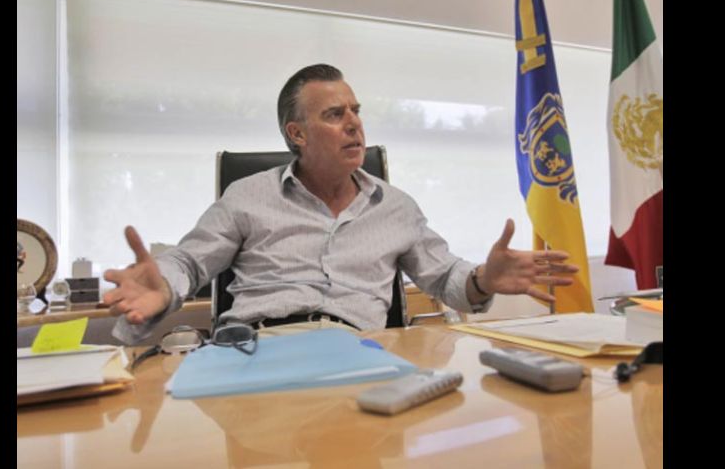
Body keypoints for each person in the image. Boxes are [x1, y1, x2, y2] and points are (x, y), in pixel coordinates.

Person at [104, 64, 577, 344]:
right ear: (297, 133)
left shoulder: (396, 207)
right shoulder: (247, 196)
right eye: (335, 114)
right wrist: (162, 285)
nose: (354, 123)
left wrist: (483, 279)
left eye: (356, 111)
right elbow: (188, 262)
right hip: (259, 347)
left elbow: (447, 278)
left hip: (360, 350)